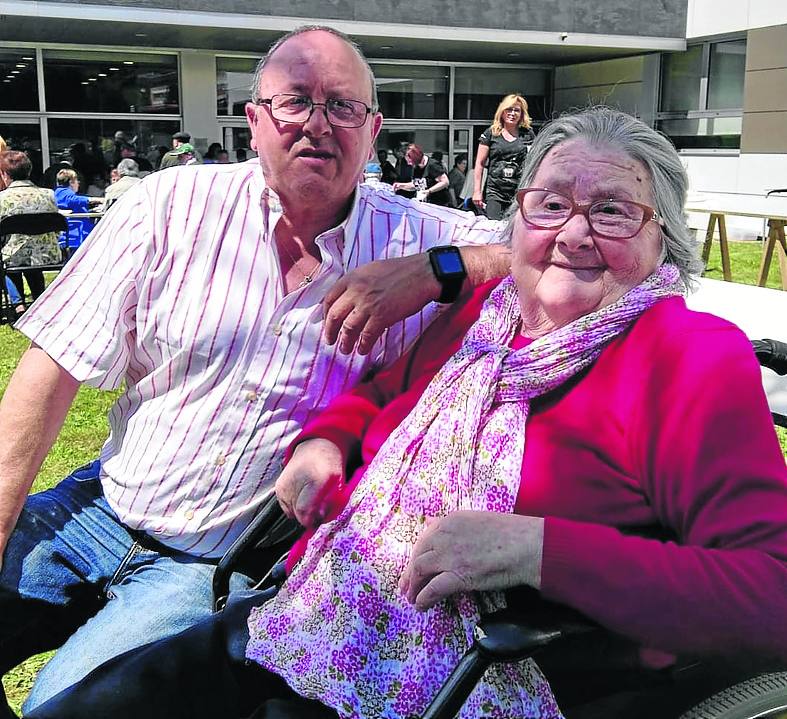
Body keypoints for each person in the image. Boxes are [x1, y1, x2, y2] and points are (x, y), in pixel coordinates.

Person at [27, 106, 787, 719]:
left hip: (479, 671)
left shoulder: (688, 354)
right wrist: (324, 442)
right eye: (550, 204)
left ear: (664, 240)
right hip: (318, 609)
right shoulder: (487, 311)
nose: (572, 232)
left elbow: (770, 594)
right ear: (515, 222)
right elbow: (381, 394)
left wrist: (539, 550)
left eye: (613, 211)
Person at [0, 24, 509, 715]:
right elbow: (47, 373)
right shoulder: (168, 206)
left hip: (209, 565)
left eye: (342, 106)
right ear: (254, 119)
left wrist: (442, 269)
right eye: (294, 101)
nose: (317, 124)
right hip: (96, 509)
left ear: (373, 127)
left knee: (61, 709)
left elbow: (595, 255)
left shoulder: (419, 237)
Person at [0, 151, 61, 309]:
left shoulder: (2, 199)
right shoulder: (49, 195)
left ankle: (18, 303)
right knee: (30, 250)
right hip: (47, 254)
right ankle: (39, 300)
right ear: (29, 170)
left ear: (4, 174)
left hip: (13, 256)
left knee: (9, 256)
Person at [473, 93, 535, 219]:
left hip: (519, 191)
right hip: (495, 191)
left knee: (515, 230)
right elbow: (479, 164)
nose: (512, 113)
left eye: (516, 110)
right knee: (493, 227)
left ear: (522, 114)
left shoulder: (528, 134)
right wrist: (477, 191)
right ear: (502, 111)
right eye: (509, 109)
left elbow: (535, 163)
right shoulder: (491, 133)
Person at [53, 168, 102, 241]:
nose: (78, 183)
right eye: (77, 181)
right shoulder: (63, 193)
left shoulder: (58, 192)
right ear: (71, 182)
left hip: (74, 234)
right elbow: (72, 200)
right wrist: (96, 200)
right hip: (76, 235)